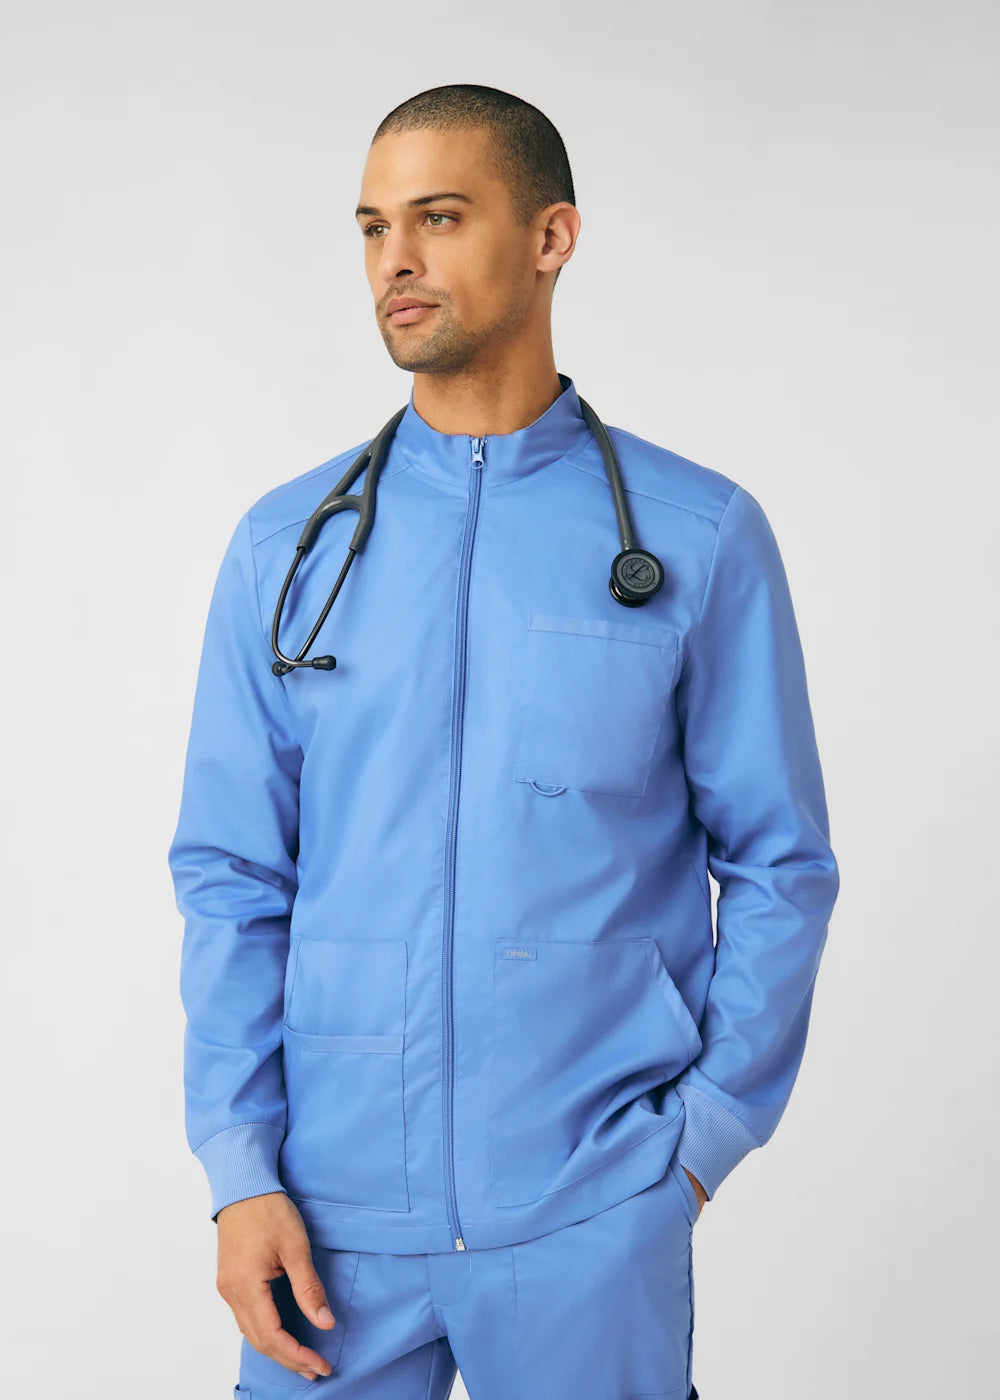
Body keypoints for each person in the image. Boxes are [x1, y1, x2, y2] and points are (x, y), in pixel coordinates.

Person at [167, 83, 840, 1400]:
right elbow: (231, 875)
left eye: (438, 217)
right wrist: (240, 1173)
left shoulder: (694, 538)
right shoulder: (288, 551)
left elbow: (780, 861)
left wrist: (697, 1145)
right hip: (329, 1225)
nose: (395, 262)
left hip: (591, 1209)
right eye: (373, 228)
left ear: (551, 237)